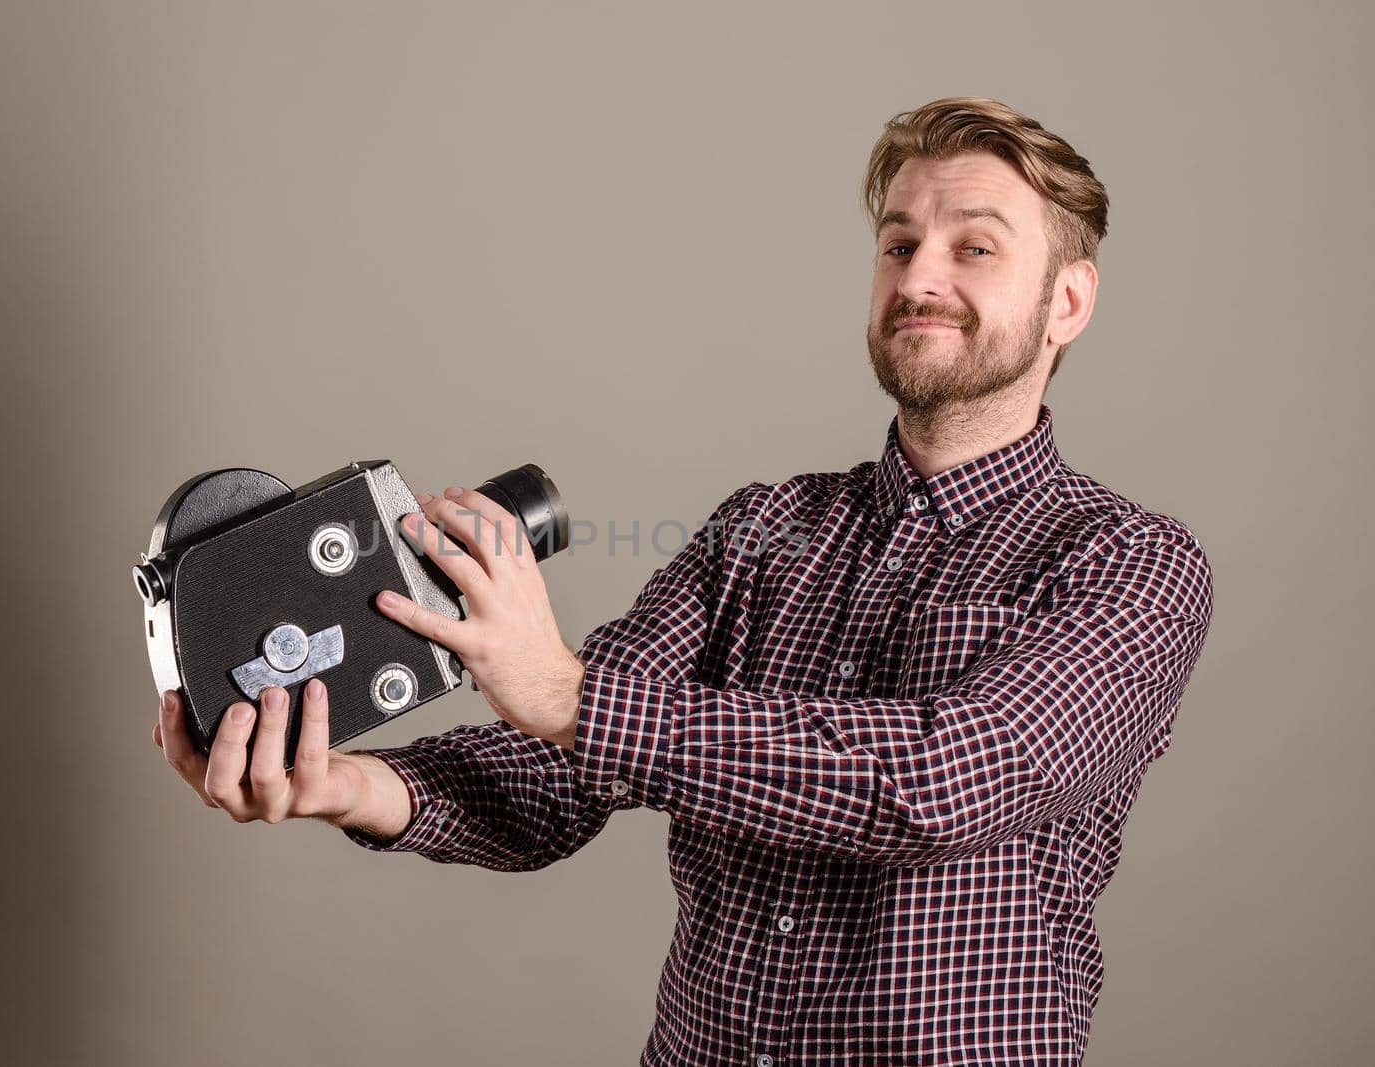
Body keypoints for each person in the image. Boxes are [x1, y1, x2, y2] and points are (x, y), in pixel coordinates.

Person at [153, 96, 1215, 1066]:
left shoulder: (1129, 561)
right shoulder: (760, 528)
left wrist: (572, 694)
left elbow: (942, 783)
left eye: (972, 247)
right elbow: (567, 770)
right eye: (898, 243)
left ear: (1067, 301)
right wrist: (353, 786)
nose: (918, 276)